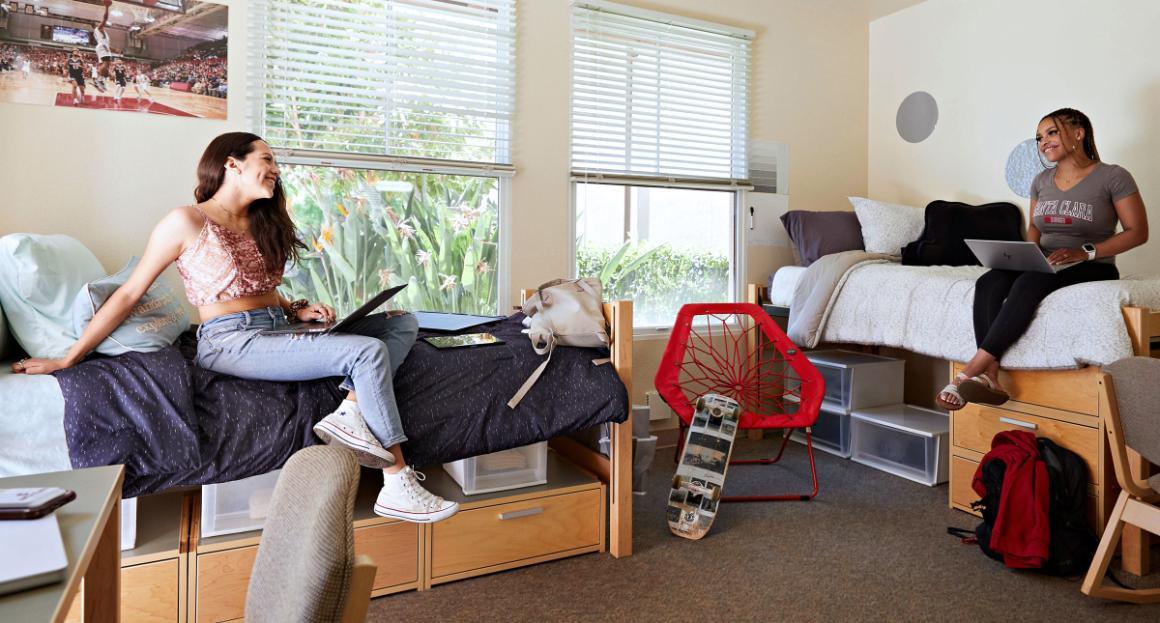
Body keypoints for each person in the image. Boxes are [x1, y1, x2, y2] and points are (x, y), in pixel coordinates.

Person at [11, 132, 459, 524]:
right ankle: (396, 482)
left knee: (400, 323)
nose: (275, 171)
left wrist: (296, 309)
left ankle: (352, 409)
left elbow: (260, 288)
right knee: (365, 352)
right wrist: (69, 357)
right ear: (232, 163)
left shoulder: (261, 222)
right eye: (267, 160)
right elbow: (128, 294)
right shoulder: (186, 221)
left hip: (276, 328)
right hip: (230, 341)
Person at [936, 108, 1149, 411]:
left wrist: (1084, 252)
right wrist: (1028, 255)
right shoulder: (1041, 181)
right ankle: (992, 374)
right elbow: (1035, 226)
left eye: (1051, 132)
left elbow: (1138, 232)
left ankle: (972, 370)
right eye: (1039, 137)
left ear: (1078, 133)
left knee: (1030, 282)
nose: (1043, 141)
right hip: (1046, 260)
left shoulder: (1113, 176)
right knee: (990, 281)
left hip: (1091, 264)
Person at [91, 0, 113, 93]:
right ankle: (98, 80)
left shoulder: (98, 32)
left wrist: (114, 49)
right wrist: (107, 7)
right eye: (98, 22)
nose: (100, 23)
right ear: (96, 24)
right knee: (106, 65)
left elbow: (105, 42)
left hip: (103, 48)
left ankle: (100, 81)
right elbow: (105, 19)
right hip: (102, 47)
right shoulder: (99, 28)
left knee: (106, 67)